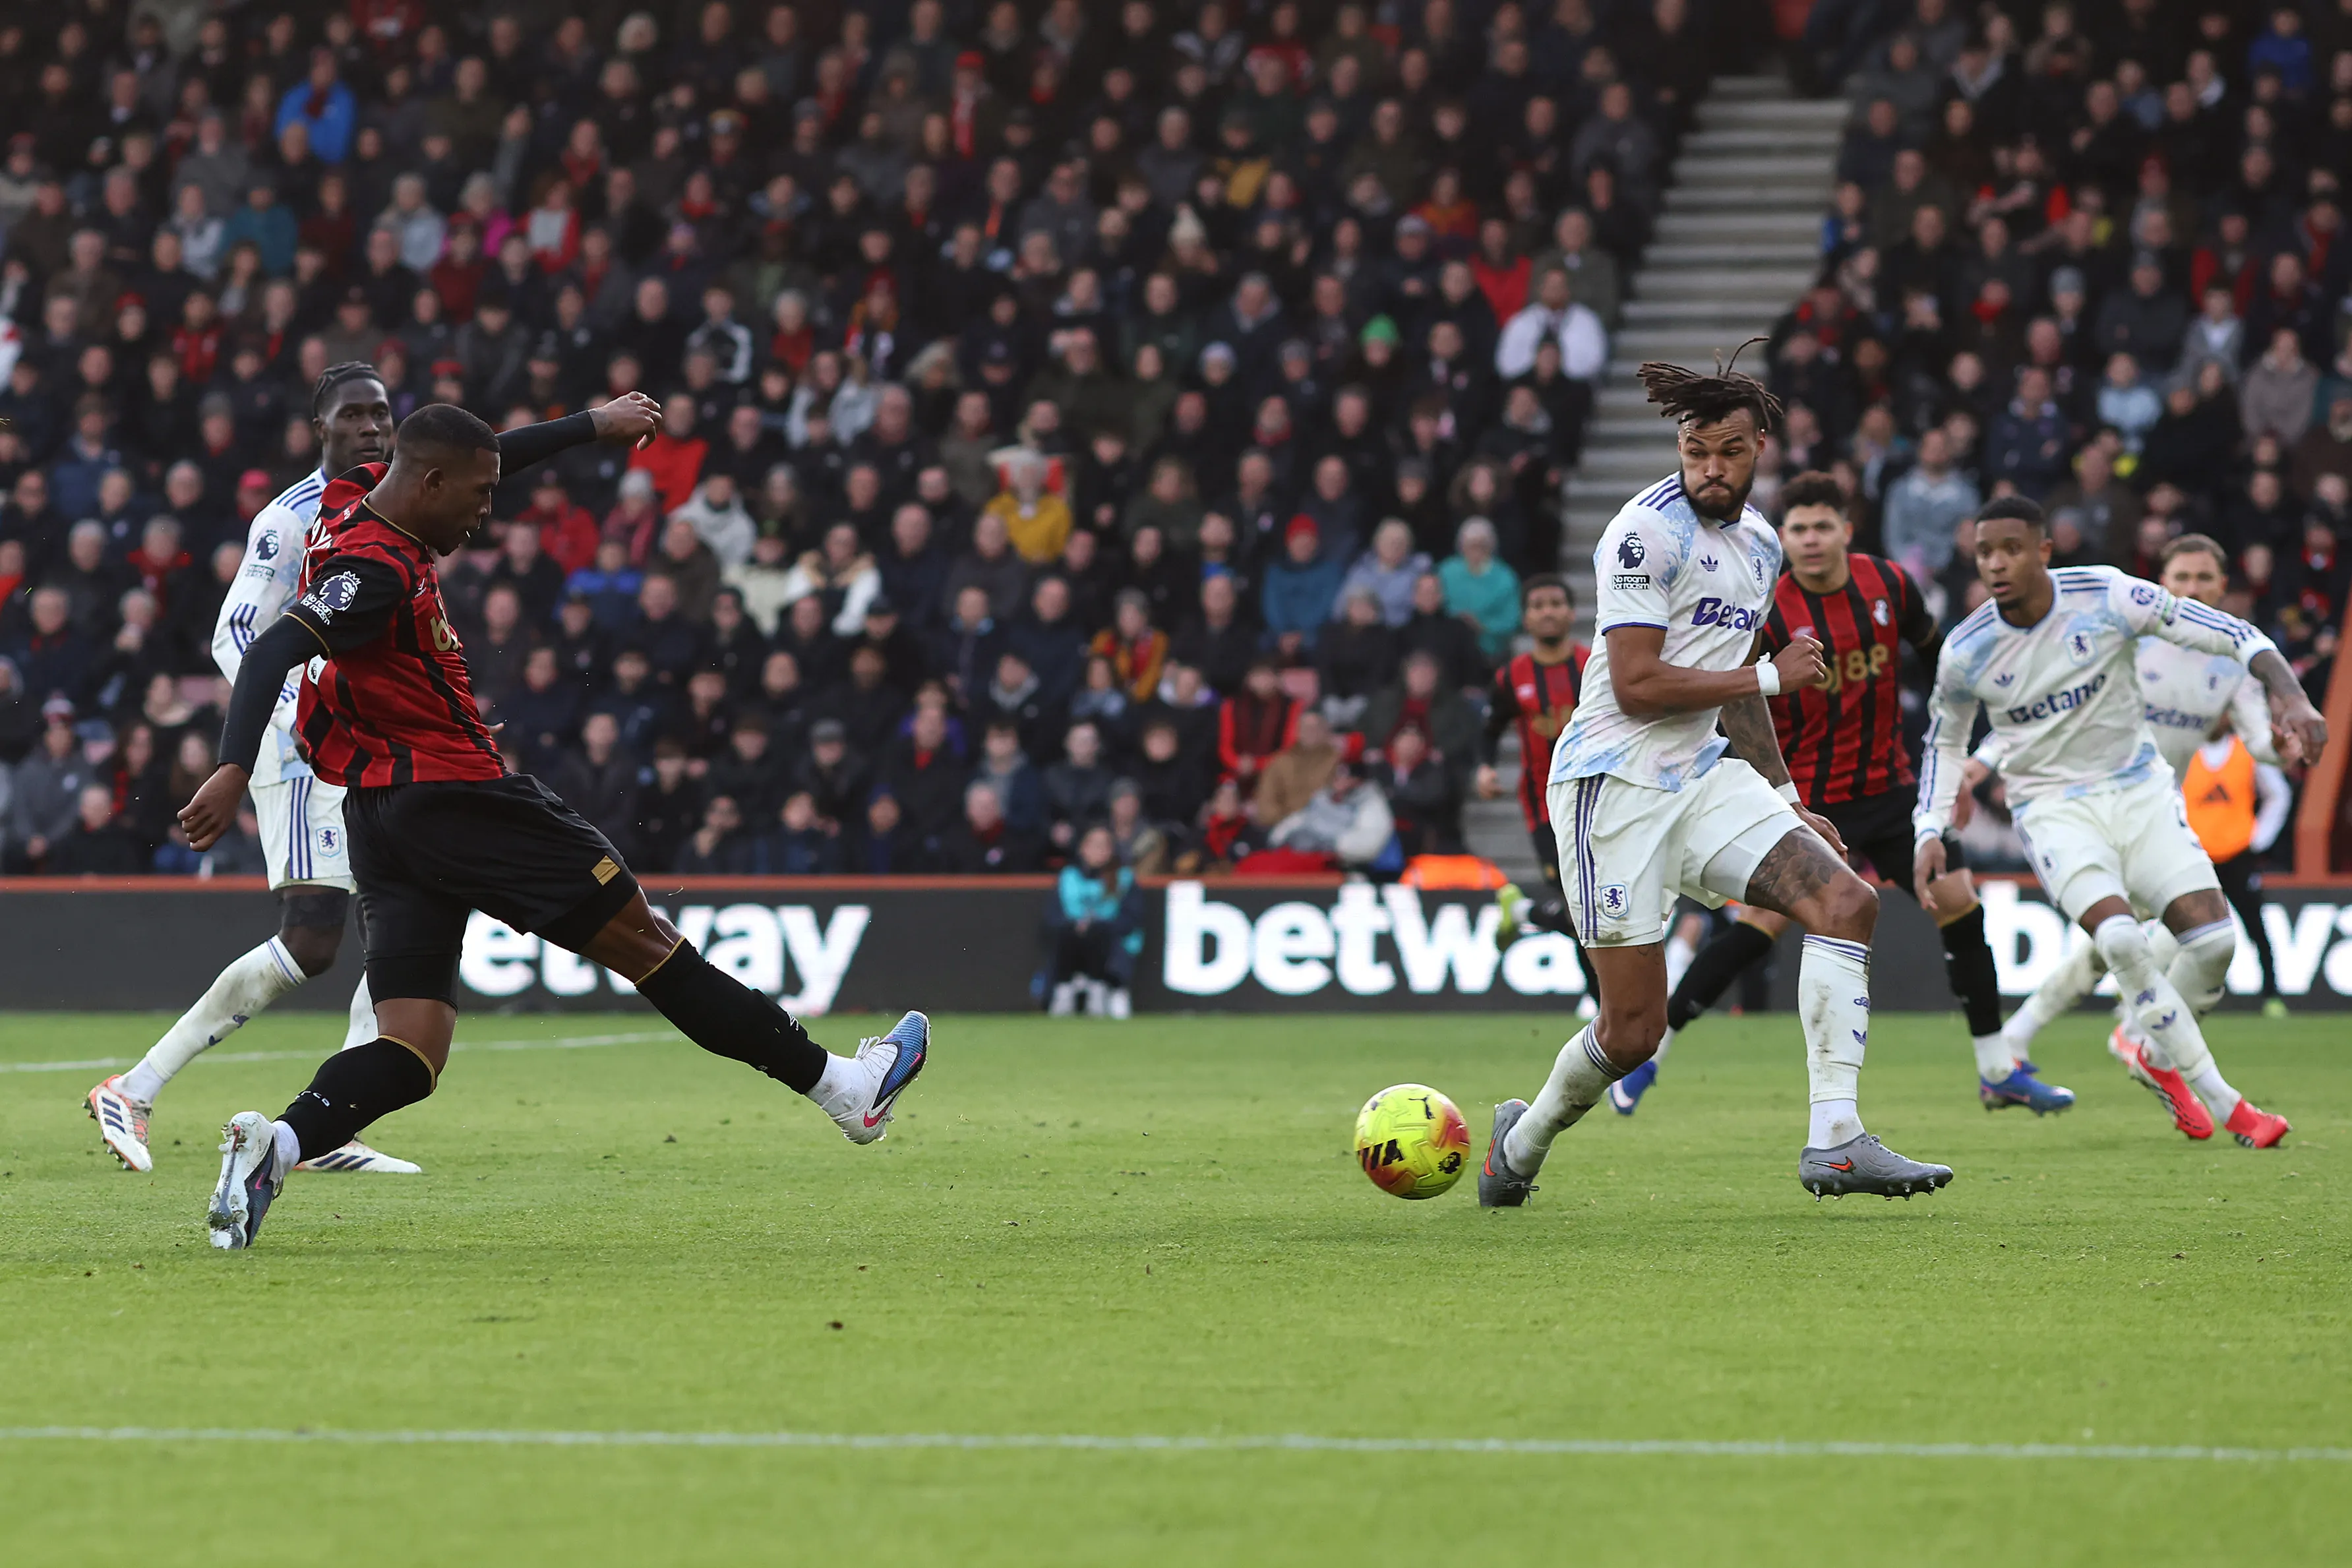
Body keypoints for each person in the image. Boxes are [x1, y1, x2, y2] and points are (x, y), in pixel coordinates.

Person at [179, 401, 931, 1250]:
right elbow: (273, 648)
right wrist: (234, 767)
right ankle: (846, 1089)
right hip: (460, 801)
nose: (486, 510)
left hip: (381, 817)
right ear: (430, 483)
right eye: (477, 495)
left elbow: (482, 450)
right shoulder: (376, 567)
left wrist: (589, 425)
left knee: (412, 1049)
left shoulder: (355, 494)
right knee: (651, 945)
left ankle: (275, 1148)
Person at [1481, 352, 1954, 1208]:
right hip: (1612, 787)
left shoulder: (1762, 545)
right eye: (1694, 450)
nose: (1709, 467)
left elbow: (1733, 686)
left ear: (1759, 448)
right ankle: (1519, 1142)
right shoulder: (1642, 533)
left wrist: (1786, 799)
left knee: (1846, 901)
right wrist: (1773, 674)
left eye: (1728, 451)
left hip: (1701, 775)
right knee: (1632, 1031)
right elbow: (1636, 684)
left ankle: (1836, 1139)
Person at [1606, 471, 2058, 1118]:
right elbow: (1738, 696)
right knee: (1755, 928)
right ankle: (1652, 1056)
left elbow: (1942, 663)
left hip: (1890, 791)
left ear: (1847, 529)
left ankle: (1996, 1070)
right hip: (1810, 798)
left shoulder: (1890, 586)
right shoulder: (1766, 606)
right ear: (1785, 538)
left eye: (1823, 526)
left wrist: (1955, 764)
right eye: (1799, 529)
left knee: (1960, 905)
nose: (1811, 539)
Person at [86, 364, 419, 1178]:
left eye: (381, 413)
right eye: (353, 414)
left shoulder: (392, 510)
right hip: (301, 750)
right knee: (313, 938)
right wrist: (303, 712)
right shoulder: (290, 518)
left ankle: (332, 1124)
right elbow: (235, 635)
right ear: (320, 428)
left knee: (409, 909)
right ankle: (133, 1086)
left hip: (367, 745)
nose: (371, 427)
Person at [1912, 498, 2327, 1150]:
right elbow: (1975, 732)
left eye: (2011, 549)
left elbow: (2246, 663)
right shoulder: (1970, 649)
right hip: (2056, 807)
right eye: (1985, 552)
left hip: (2145, 797)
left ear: (2043, 551)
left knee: (2214, 945)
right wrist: (1935, 818)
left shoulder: (2115, 601)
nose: (1995, 563)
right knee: (2119, 941)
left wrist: (2292, 709)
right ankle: (2224, 1100)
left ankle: (2146, 1049)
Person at [1983, 534, 2299, 1072]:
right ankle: (2126, 1033)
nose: (2192, 588)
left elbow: (2259, 741)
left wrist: (2281, 746)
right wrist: (1984, 759)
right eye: (2182, 578)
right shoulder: (2127, 637)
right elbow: (2049, 701)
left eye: (2204, 578)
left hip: (2153, 814)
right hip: (2091, 799)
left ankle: (2041, 1033)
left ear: (2222, 586)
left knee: (2133, 934)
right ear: (2162, 584)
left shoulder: (2231, 661)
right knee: (2150, 930)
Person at [1478, 572, 1598, 1012]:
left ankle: (1524, 913)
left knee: (1593, 908)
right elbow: (1490, 728)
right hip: (1544, 809)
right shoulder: (1512, 676)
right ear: (1526, 618)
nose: (1548, 612)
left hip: (1598, 802)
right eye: (1538, 605)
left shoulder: (1592, 667)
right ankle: (1603, 1010)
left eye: (1555, 604)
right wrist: (1485, 768)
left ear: (1570, 612)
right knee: (1580, 909)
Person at [1040, 822, 1145, 1017]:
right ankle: (1064, 988)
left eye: (1104, 846)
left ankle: (1104, 987)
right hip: (1074, 943)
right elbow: (1052, 918)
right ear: (1083, 848)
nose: (1099, 851)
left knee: (1098, 933)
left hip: (1110, 943)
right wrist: (1077, 926)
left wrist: (1097, 926)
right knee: (1068, 934)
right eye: (1094, 845)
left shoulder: (1124, 879)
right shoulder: (1068, 877)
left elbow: (1131, 918)